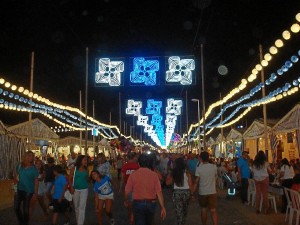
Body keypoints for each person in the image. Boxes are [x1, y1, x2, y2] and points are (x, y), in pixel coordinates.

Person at [124, 153, 167, 225]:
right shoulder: (154, 175)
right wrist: (162, 207)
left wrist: (125, 200)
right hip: (151, 203)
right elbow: (159, 192)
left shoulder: (133, 175)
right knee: (150, 221)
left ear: (139, 163)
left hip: (138, 203)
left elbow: (127, 191)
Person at [166, 156, 193, 225]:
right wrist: (192, 194)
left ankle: (180, 222)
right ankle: (182, 221)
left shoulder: (174, 173)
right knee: (184, 209)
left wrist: (169, 175)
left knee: (179, 211)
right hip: (186, 193)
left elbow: (167, 183)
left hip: (177, 193)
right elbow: (190, 185)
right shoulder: (187, 173)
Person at [193, 151, 218, 225]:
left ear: (201, 158)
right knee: (213, 210)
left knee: (204, 209)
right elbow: (216, 176)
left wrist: (192, 192)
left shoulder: (199, 168)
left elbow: (196, 181)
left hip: (202, 191)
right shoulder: (214, 167)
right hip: (212, 191)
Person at [14, 151, 39, 225]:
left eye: (32, 156)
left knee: (25, 210)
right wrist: (15, 179)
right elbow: (16, 175)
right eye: (29, 155)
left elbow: (36, 181)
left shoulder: (34, 168)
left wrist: (35, 193)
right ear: (25, 156)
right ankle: (21, 221)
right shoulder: (19, 165)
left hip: (29, 191)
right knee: (16, 207)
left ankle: (25, 223)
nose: (31, 157)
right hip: (19, 189)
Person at [119, 152, 140, 225]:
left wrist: (121, 188)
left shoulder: (125, 166)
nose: (137, 158)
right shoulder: (137, 166)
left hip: (128, 187)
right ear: (134, 158)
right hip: (136, 187)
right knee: (135, 203)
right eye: (136, 157)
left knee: (129, 203)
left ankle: (131, 215)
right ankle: (133, 217)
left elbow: (122, 178)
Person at [69, 155, 89, 225]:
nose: (86, 161)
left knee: (82, 207)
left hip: (84, 189)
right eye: (85, 160)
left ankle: (80, 223)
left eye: (86, 160)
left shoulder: (86, 169)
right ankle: (79, 221)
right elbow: (70, 178)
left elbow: (87, 179)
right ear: (80, 160)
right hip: (75, 190)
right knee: (76, 207)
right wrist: (71, 187)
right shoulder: (74, 169)